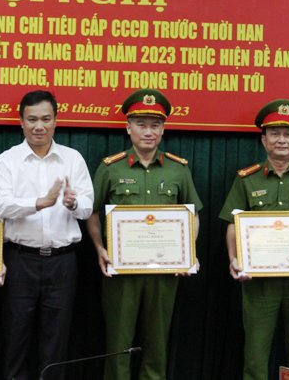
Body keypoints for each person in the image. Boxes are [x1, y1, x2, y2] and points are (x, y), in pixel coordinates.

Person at [86, 88, 201, 380]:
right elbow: (93, 213)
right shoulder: (110, 168)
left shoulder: (178, 170)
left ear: (163, 129)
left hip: (165, 272)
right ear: (128, 128)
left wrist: (188, 252)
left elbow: (193, 214)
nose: (148, 132)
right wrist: (99, 248)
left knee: (157, 343)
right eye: (141, 124)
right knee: (118, 342)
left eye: (155, 125)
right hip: (121, 272)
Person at [219, 99, 289, 380]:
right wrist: (233, 258)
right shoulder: (246, 179)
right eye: (274, 134)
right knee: (256, 351)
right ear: (264, 140)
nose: (281, 140)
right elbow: (234, 224)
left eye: (287, 134)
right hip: (259, 282)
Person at [0, 89, 93, 380]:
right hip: (20, 260)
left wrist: (73, 203)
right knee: (16, 337)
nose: (39, 126)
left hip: (62, 262)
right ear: (21, 122)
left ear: (56, 120)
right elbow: (0, 206)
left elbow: (87, 207)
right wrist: (40, 203)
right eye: (32, 119)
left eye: (46, 119)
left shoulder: (72, 159)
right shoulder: (7, 161)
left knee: (56, 340)